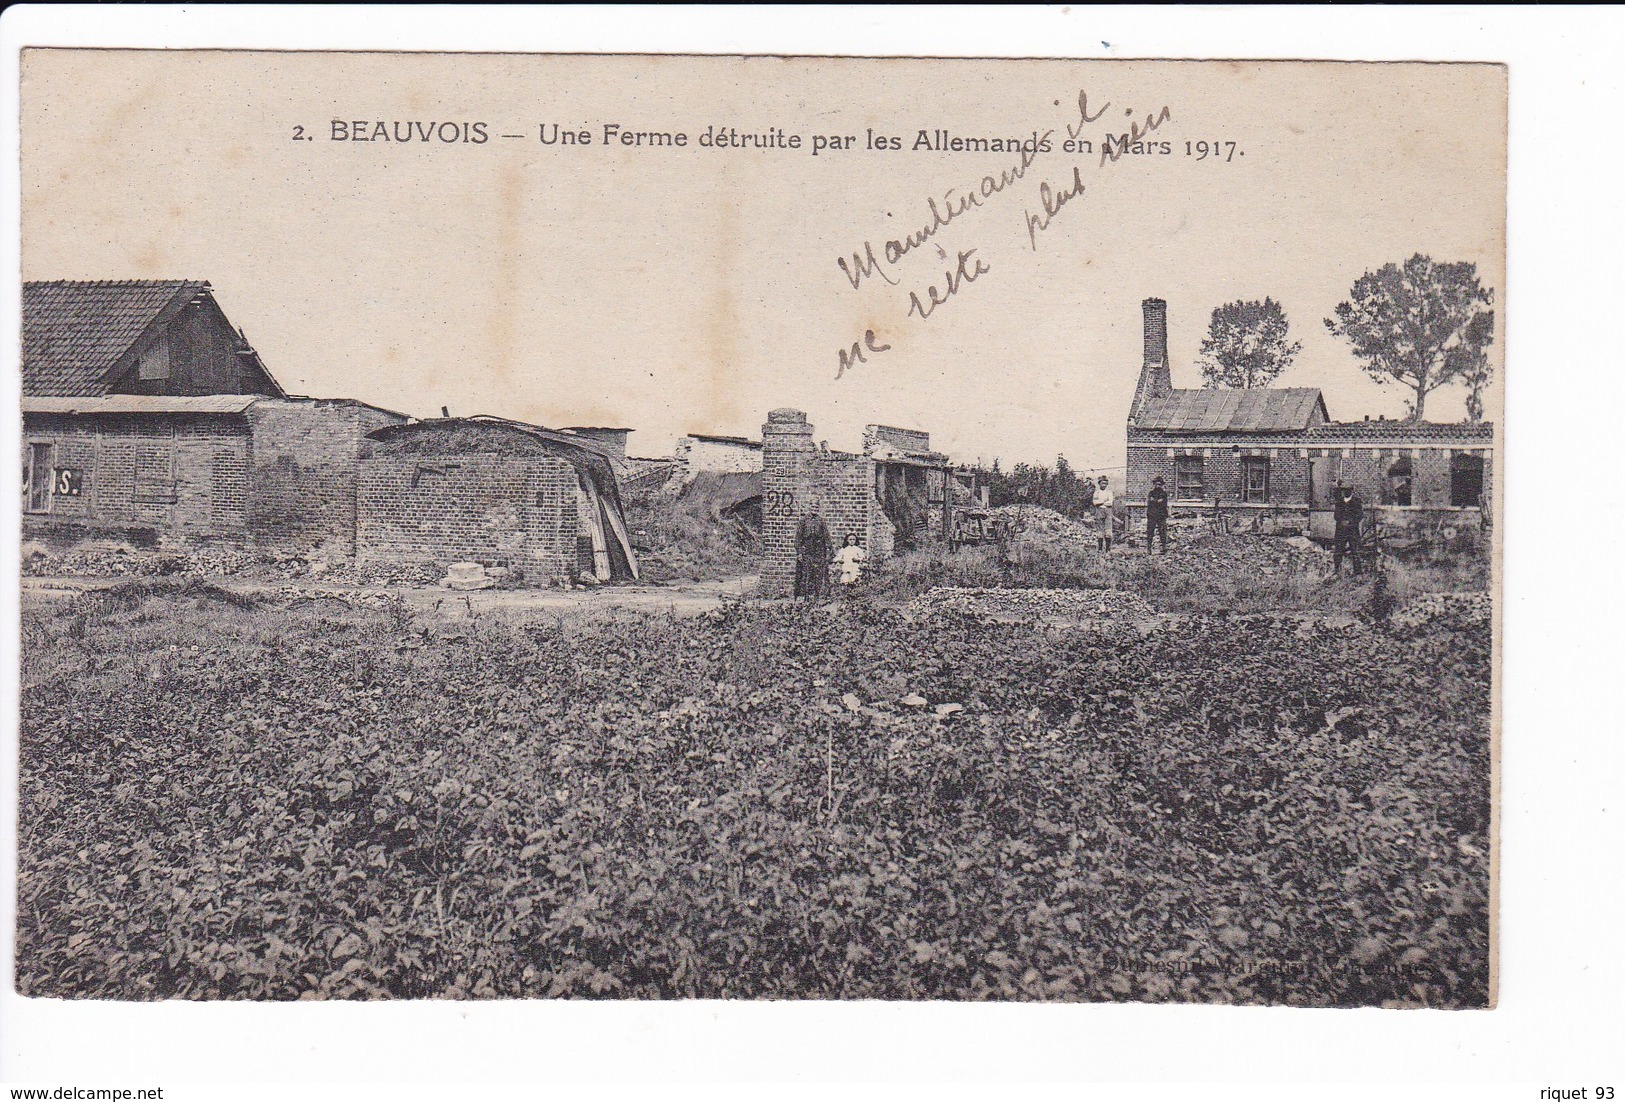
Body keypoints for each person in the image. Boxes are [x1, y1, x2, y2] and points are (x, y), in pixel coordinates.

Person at [794, 510, 832, 599]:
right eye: (813, 506)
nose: (814, 509)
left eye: (816, 507)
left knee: (818, 573)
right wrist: (799, 552)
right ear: (810, 507)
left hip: (819, 550)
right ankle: (805, 596)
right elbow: (798, 537)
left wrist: (828, 550)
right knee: (806, 573)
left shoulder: (821, 521)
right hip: (807, 550)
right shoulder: (803, 520)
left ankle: (817, 595)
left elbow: (826, 536)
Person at [1332, 483, 1364, 575]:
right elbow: (1336, 516)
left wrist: (1350, 522)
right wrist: (1342, 521)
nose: (1346, 492)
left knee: (1355, 551)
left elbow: (1360, 515)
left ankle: (1357, 573)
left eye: (1348, 490)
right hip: (1341, 531)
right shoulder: (1339, 502)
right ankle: (1337, 571)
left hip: (1352, 531)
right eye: (1344, 490)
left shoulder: (1356, 502)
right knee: (1338, 551)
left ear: (1351, 491)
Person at [1145, 475, 1169, 554]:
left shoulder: (1164, 494)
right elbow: (1150, 503)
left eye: (1159, 484)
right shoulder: (1151, 493)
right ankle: (1149, 549)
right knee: (1150, 532)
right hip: (1152, 515)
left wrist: (1155, 501)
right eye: (1156, 484)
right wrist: (1157, 501)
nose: (1157, 486)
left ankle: (1164, 548)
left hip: (1161, 515)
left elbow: (1163, 503)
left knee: (1162, 532)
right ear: (1154, 484)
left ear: (1162, 485)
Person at [1092, 475, 1115, 552]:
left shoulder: (1109, 492)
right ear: (1099, 484)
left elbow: (1110, 503)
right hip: (1099, 511)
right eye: (1102, 483)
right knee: (1100, 530)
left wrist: (1101, 502)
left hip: (1108, 511)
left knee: (1108, 529)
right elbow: (1095, 502)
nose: (1104, 485)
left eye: (1105, 483)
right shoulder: (1096, 492)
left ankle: (1108, 549)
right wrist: (1103, 501)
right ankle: (1100, 548)